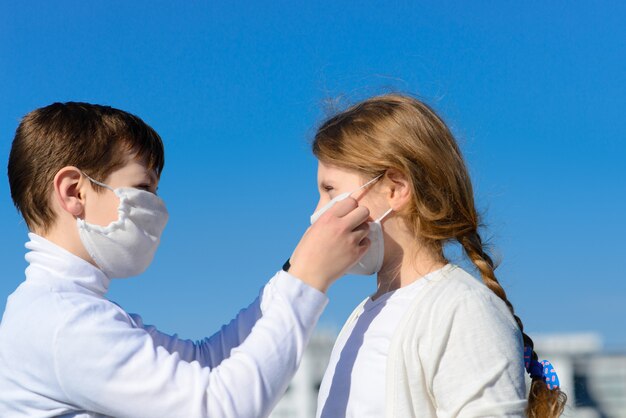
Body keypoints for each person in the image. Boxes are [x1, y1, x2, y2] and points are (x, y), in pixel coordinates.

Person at [0, 102, 371, 417]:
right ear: (74, 191)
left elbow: (206, 360)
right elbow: (218, 407)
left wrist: (295, 272)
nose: (158, 207)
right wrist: (309, 278)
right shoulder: (63, 322)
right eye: (143, 188)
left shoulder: (63, 310)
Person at [310, 94, 567, 418]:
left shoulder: (463, 310)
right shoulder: (361, 315)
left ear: (395, 188)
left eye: (329, 190)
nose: (319, 211)